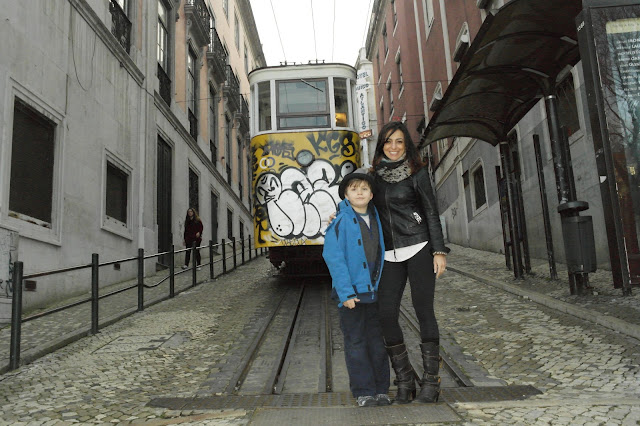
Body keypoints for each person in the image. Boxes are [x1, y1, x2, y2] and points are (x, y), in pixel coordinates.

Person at [372, 121, 449, 404]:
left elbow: (431, 211)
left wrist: (438, 251)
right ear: (381, 144)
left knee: (423, 310)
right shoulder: (374, 177)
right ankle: (405, 380)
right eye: (389, 142)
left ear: (407, 146)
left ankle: (431, 381)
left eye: (399, 142)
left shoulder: (418, 173)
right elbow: (360, 205)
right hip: (390, 253)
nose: (393, 147)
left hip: (419, 247)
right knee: (386, 313)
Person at [322, 169, 391, 407]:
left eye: (364, 189)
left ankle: (381, 389)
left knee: (376, 342)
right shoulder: (340, 222)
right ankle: (363, 391)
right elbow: (333, 257)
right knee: (356, 343)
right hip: (351, 295)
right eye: (354, 189)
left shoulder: (378, 218)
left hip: (374, 293)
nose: (359, 192)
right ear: (346, 195)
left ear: (372, 194)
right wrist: (346, 293)